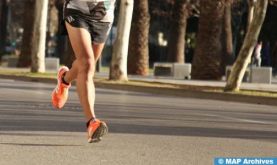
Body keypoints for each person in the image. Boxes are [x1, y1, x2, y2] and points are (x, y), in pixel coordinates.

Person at [52, 0, 116, 143]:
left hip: (104, 14)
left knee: (87, 65)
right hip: (77, 10)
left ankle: (64, 79)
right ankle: (92, 123)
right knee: (87, 63)